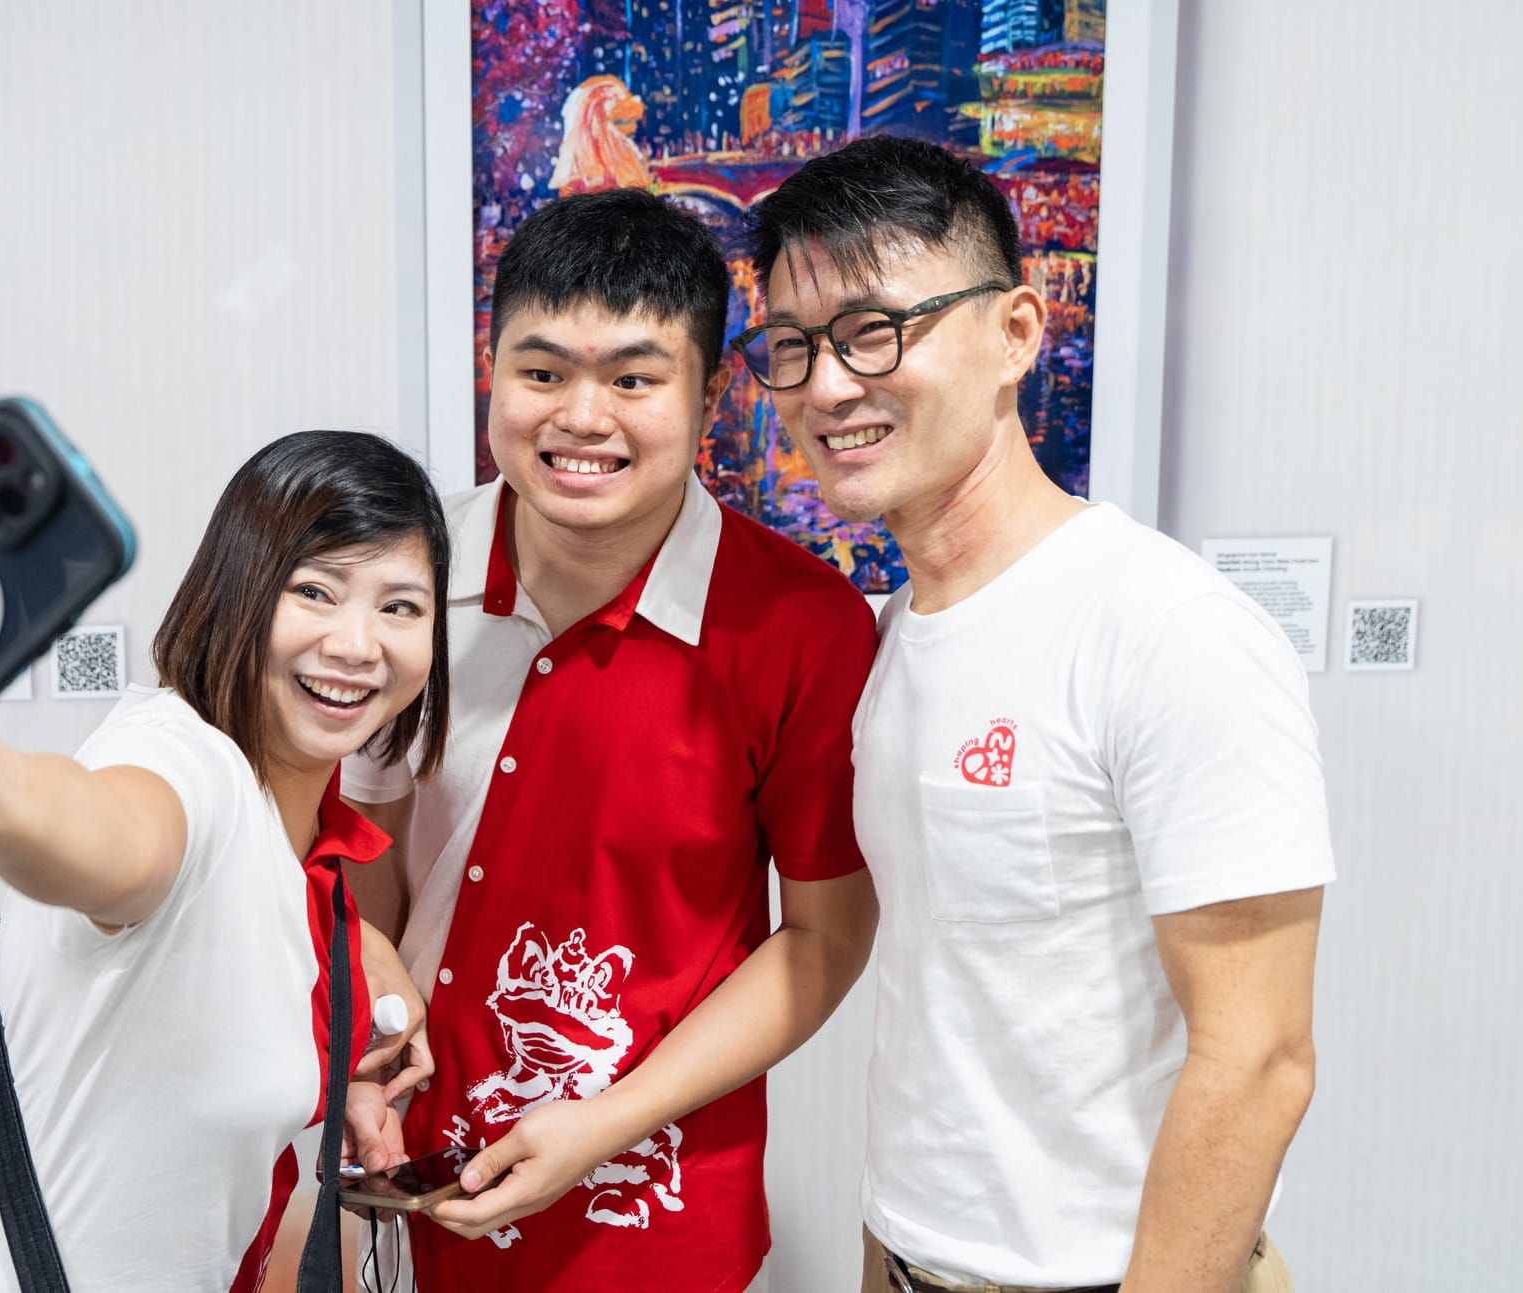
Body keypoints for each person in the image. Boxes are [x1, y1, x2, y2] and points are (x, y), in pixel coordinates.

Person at [740, 135, 1332, 1293]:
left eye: (873, 330)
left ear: (1015, 331)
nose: (823, 388)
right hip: (911, 1258)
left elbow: (1257, 1056)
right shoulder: (888, 639)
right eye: (791, 348)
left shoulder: (1165, 629)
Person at [0, 430, 447, 1291]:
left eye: (401, 606)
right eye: (315, 590)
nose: (357, 643)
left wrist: (331, 1045)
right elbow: (116, 836)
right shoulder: (185, 761)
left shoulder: (309, 844)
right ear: (237, 590)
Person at [342, 188, 880, 1293]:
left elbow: (820, 942)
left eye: (633, 380)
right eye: (541, 374)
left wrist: (604, 1123)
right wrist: (363, 1003)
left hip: (657, 1204)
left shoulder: (799, 622)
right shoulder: (401, 584)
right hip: (411, 1177)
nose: (581, 419)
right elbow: (354, 847)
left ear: (710, 394)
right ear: (491, 375)